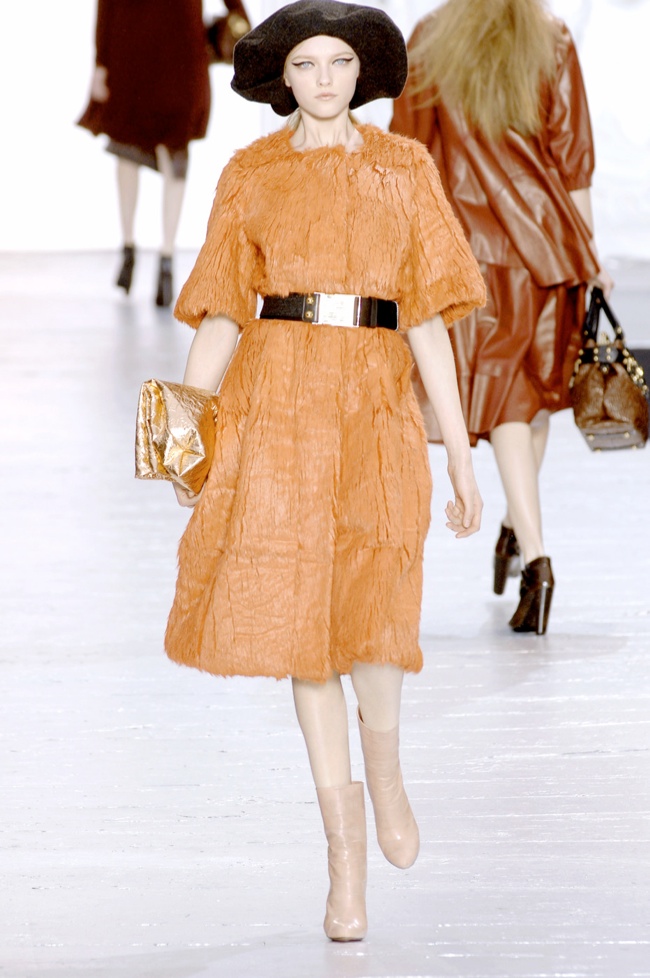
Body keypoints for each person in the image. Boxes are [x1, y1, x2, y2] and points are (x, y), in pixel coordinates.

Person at [164, 0, 485, 941]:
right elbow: (221, 310)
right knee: (304, 635)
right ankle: (343, 863)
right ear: (282, 77)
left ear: (364, 72)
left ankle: (386, 773)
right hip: (278, 411)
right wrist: (183, 440)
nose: (326, 78)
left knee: (377, 617)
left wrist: (462, 457)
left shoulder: (403, 169)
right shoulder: (250, 175)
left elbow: (427, 318)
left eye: (341, 61)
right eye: (307, 63)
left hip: (378, 408)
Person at [391, 0, 614, 635]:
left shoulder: (431, 38)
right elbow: (573, 159)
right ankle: (521, 533)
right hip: (547, 249)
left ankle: (533, 551)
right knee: (529, 402)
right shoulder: (551, 37)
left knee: (517, 403)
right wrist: (587, 255)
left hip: (470, 254)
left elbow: (411, 156)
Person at [78, 0, 211, 306]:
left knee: (130, 148)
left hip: (137, 46)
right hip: (175, 47)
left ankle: (131, 249)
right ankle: (165, 256)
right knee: (169, 154)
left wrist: (101, 63)